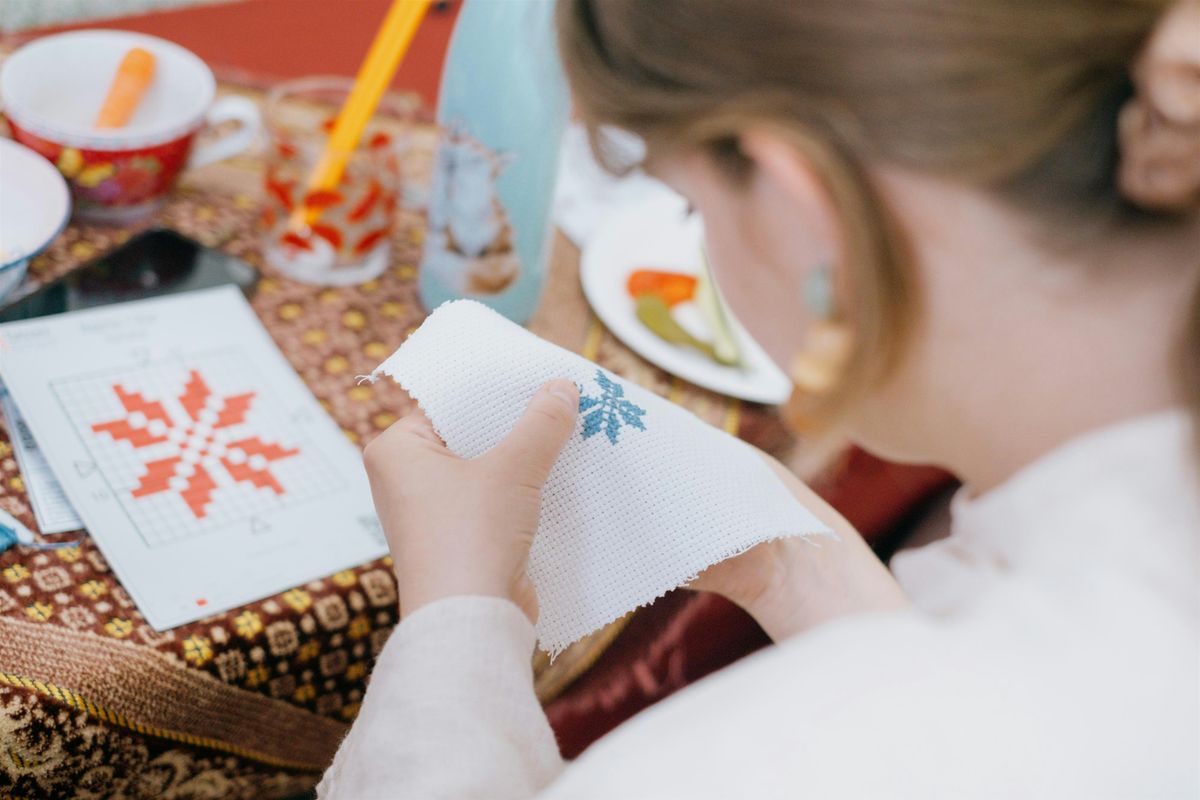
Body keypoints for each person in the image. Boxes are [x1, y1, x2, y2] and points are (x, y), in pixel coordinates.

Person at [319, 1, 1200, 797]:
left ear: (803, 211)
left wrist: (453, 615)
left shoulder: (776, 759)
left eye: (691, 209)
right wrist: (803, 573)